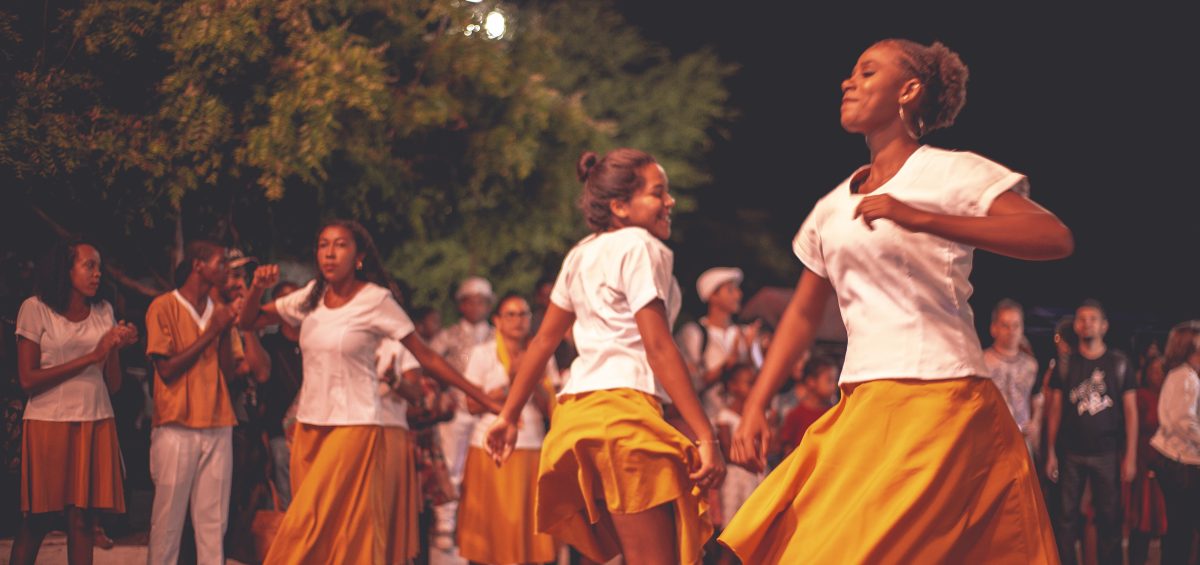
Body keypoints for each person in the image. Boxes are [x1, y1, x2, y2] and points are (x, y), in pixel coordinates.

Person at [720, 39, 1072, 563]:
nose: (848, 82)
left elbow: (1052, 236)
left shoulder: (950, 172)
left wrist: (923, 217)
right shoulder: (829, 207)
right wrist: (756, 403)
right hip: (863, 402)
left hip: (942, 401)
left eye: (866, 73)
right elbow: (802, 312)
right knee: (796, 545)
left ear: (909, 90)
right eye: (850, 74)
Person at [485, 148, 725, 565]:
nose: (670, 202)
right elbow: (658, 345)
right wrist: (706, 435)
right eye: (658, 193)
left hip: (578, 417)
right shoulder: (641, 246)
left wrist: (507, 415)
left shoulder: (580, 254)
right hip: (623, 416)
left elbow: (543, 342)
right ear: (619, 206)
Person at [238, 219, 502, 564]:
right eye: (323, 244)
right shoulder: (310, 297)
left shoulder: (376, 300)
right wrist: (257, 286)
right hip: (308, 426)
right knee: (334, 531)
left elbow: (427, 356)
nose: (330, 253)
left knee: (305, 522)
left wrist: (482, 398)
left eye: (341, 245)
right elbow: (247, 322)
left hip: (355, 425)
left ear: (359, 255)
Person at [8, 240, 138, 565]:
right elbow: (28, 379)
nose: (98, 273)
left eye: (99, 267)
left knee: (82, 519)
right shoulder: (35, 309)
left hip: (95, 419)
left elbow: (114, 384)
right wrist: (92, 355)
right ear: (66, 269)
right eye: (89, 265)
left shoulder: (104, 310)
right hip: (48, 421)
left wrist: (113, 349)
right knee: (38, 518)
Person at [144, 240, 245, 565]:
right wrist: (210, 333)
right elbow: (166, 370)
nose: (226, 271)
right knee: (168, 523)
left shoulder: (219, 312)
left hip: (218, 422)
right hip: (176, 425)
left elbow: (228, 374)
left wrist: (225, 329)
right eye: (221, 263)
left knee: (213, 524)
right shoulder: (164, 306)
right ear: (198, 265)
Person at [457, 293, 559, 565]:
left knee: (527, 531)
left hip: (531, 444)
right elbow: (472, 404)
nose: (517, 320)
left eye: (523, 314)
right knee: (490, 529)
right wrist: (512, 380)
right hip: (488, 446)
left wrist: (531, 378)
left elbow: (551, 407)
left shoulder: (543, 354)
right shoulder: (483, 353)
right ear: (497, 321)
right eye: (510, 315)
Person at [1046, 300, 1137, 565]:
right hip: (1070, 452)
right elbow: (1055, 411)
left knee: (1109, 518)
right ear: (1075, 325)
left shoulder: (1119, 363)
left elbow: (1131, 412)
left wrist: (1130, 456)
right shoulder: (1066, 364)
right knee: (1065, 519)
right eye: (1082, 319)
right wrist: (1050, 452)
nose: (1087, 324)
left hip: (1107, 452)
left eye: (1093, 319)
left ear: (1104, 325)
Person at [430, 275, 495, 550]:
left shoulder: (497, 334)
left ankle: (481, 520)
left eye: (482, 301)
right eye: (471, 301)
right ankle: (446, 522)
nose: (476, 306)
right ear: (461, 304)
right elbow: (428, 362)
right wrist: (442, 391)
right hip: (457, 408)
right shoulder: (448, 335)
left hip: (487, 410)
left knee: (483, 465)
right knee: (452, 464)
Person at [676, 267, 762, 421]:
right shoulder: (694, 333)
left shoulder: (745, 334)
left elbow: (760, 381)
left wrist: (749, 354)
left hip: (740, 424)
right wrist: (726, 366)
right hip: (706, 421)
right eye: (730, 290)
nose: (738, 295)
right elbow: (688, 385)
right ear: (712, 296)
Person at [1149, 321, 1200, 565]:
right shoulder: (1185, 377)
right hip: (1181, 462)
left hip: (1176, 460)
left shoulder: (1181, 374)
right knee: (1182, 530)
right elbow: (1184, 421)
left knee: (1180, 529)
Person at [712, 364, 765, 565]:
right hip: (736, 479)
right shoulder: (725, 417)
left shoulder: (761, 416)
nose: (755, 387)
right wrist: (752, 461)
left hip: (754, 477)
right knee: (730, 537)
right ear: (733, 387)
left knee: (752, 536)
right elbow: (727, 451)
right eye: (750, 383)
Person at [984, 299, 1044, 453]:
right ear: (994, 328)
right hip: (991, 441)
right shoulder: (981, 362)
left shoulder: (1031, 365)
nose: (1011, 330)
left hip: (1022, 442)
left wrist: (1035, 423)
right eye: (1005, 325)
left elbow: (1037, 399)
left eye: (1016, 325)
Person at [1125, 354, 1167, 565]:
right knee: (1141, 515)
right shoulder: (1142, 395)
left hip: (1167, 463)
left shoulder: (1171, 395)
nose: (1158, 373)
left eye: (1162, 369)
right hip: (1144, 460)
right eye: (1154, 369)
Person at [777, 356, 838, 456]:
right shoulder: (795, 415)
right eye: (829, 380)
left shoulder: (834, 412)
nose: (834, 386)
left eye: (834, 380)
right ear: (811, 382)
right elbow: (788, 452)